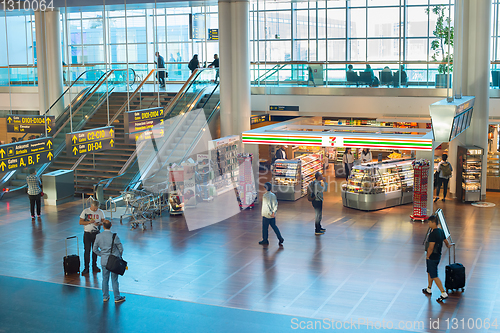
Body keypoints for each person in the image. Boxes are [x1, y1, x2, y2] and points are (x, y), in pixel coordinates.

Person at [93, 220, 126, 303]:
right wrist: (118, 256)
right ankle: (117, 297)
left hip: (104, 261)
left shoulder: (98, 236)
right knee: (114, 280)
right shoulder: (114, 236)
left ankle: (105, 296)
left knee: (105, 279)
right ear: (111, 225)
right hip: (113, 261)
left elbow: (94, 249)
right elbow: (121, 248)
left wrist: (102, 254)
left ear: (103, 226)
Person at [422, 215, 451, 302]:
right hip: (438, 255)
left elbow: (431, 247)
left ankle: (443, 293)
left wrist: (428, 256)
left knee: (434, 275)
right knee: (430, 272)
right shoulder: (441, 231)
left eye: (429, 222)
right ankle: (429, 288)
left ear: (433, 223)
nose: (428, 224)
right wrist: (448, 245)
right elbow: (446, 241)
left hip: (432, 257)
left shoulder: (433, 234)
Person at [79, 199, 108, 275]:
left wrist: (100, 223)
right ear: (92, 205)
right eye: (95, 208)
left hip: (96, 233)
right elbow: (80, 222)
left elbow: (104, 221)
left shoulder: (100, 212)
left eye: (97, 208)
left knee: (95, 250)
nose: (96, 209)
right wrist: (89, 222)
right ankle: (86, 267)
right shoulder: (85, 211)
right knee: (87, 250)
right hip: (87, 233)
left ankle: (94, 266)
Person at [259, 182, 284, 246]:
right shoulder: (273, 195)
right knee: (274, 226)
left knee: (265, 228)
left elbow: (266, 206)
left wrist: (270, 213)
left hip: (266, 215)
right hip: (273, 215)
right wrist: (273, 213)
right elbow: (275, 204)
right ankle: (280, 238)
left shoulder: (265, 196)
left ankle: (265, 240)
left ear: (265, 188)